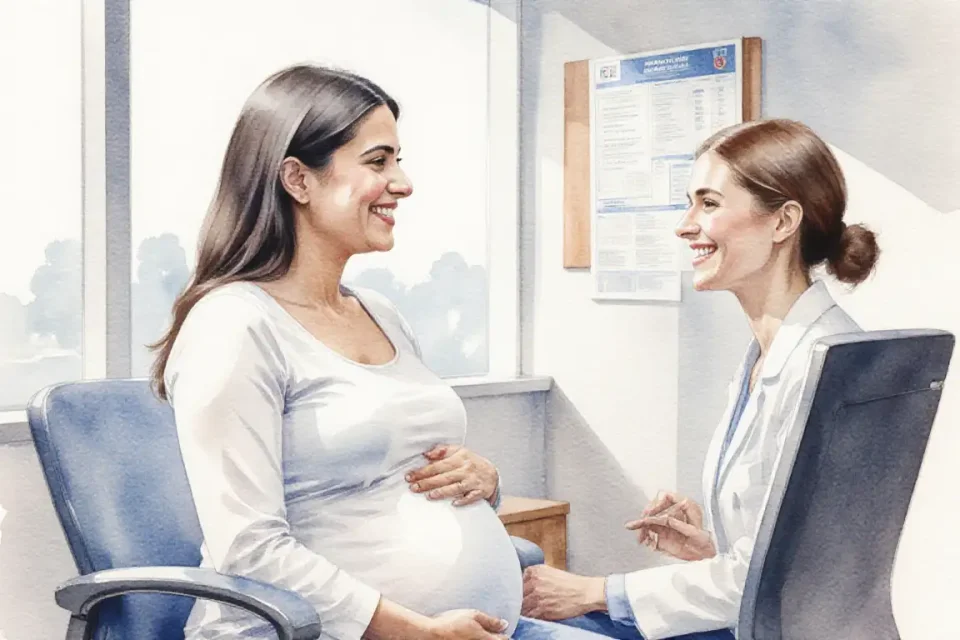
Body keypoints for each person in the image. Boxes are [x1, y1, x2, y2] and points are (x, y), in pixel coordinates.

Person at [150, 63, 611, 640]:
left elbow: (394, 481)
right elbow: (248, 549)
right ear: (297, 179)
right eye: (378, 161)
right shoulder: (234, 325)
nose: (403, 182)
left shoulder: (380, 312)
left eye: (398, 159)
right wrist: (419, 631)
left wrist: (483, 483)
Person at [519, 119, 881, 639]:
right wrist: (711, 548)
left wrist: (597, 591)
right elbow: (783, 558)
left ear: (783, 222)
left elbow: (788, 584)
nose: (684, 226)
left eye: (708, 204)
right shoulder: (771, 353)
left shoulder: (822, 364)